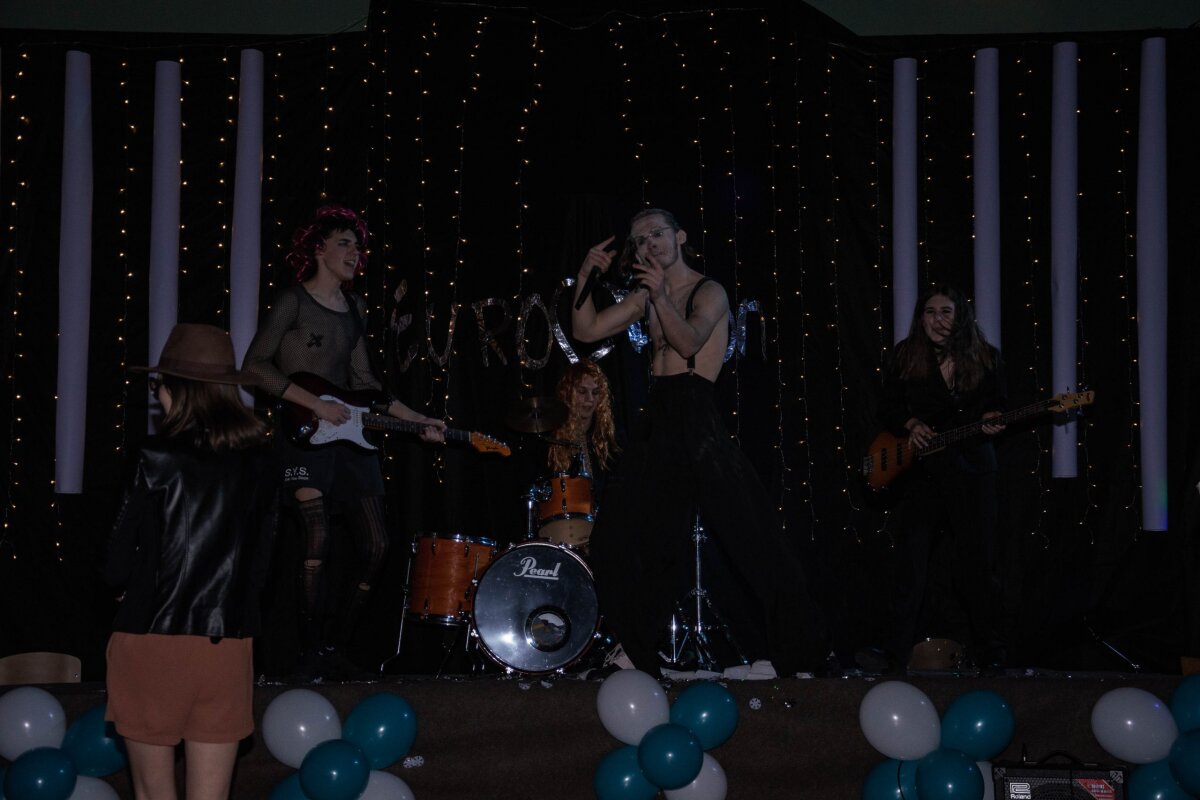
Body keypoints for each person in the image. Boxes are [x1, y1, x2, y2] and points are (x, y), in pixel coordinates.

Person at [571, 207, 829, 678]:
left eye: (657, 234)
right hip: (659, 415)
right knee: (621, 536)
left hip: (697, 412)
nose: (648, 245)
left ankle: (800, 653)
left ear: (680, 236)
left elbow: (688, 342)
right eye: (639, 240)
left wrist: (659, 295)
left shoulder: (709, 290)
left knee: (751, 533)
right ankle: (637, 651)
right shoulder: (646, 295)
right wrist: (586, 275)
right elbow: (586, 330)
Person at [242, 204, 444, 678]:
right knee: (317, 536)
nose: (355, 253)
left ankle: (336, 644)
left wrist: (418, 420)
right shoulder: (293, 301)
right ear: (318, 249)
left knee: (377, 545)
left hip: (349, 439)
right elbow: (254, 367)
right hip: (304, 432)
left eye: (358, 246)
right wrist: (314, 404)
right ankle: (310, 648)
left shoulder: (356, 308)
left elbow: (365, 382)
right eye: (344, 244)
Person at [105, 323, 278, 800]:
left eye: (158, 385)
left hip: (152, 640)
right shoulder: (262, 463)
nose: (157, 395)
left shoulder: (152, 456)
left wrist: (127, 589)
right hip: (227, 648)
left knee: (153, 793)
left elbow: (114, 565)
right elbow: (262, 568)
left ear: (176, 389)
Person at [877, 285, 1008, 672]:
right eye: (930, 312)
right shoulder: (905, 356)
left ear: (960, 316)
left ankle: (991, 654)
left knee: (978, 566)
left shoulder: (986, 357)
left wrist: (993, 418)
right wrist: (910, 422)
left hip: (972, 471)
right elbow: (886, 405)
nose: (938, 320)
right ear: (921, 319)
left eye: (946, 312)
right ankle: (895, 655)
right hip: (924, 474)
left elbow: (998, 402)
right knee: (911, 565)